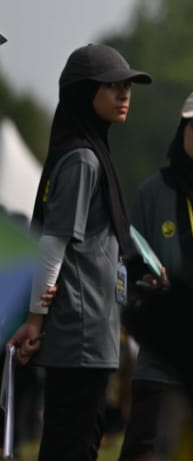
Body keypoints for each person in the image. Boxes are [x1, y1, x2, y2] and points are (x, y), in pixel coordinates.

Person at [6, 43, 151, 461]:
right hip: (80, 336)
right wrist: (35, 319)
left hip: (88, 335)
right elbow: (53, 242)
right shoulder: (83, 160)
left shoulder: (88, 153)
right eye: (112, 86)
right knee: (71, 448)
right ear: (84, 93)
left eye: (127, 86)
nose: (124, 94)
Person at [118, 88, 193, 461]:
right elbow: (129, 266)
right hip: (160, 366)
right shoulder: (153, 192)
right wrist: (149, 287)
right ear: (183, 129)